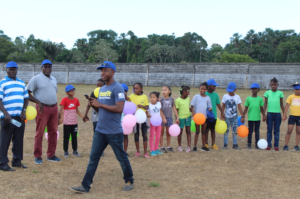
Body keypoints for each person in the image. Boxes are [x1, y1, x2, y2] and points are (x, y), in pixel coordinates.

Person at [70, 61, 134, 193]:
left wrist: (100, 105)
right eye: (101, 71)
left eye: (106, 70)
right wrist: (94, 105)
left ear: (113, 72)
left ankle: (129, 180)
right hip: (100, 130)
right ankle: (85, 186)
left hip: (114, 132)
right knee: (93, 158)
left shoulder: (118, 88)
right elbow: (101, 110)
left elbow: (119, 108)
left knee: (121, 158)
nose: (102, 73)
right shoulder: (102, 89)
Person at [27, 59, 60, 164]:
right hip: (43, 108)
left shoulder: (54, 79)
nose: (47, 68)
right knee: (40, 133)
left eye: (49, 66)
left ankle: (51, 155)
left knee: (53, 132)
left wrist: (57, 109)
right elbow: (27, 94)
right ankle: (38, 156)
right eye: (45, 66)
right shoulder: (36, 79)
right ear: (41, 67)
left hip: (54, 108)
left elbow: (52, 93)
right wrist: (38, 102)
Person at [0, 61, 29, 171]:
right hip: (7, 118)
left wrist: (24, 111)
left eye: (14, 69)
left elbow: (26, 98)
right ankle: (2, 163)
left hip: (19, 117)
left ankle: (17, 161)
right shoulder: (2, 83)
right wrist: (6, 114)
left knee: (18, 139)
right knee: (5, 140)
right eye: (10, 69)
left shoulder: (22, 83)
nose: (12, 71)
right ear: (6, 70)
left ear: (17, 70)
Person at [59, 85, 87, 158]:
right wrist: (61, 118)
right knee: (66, 137)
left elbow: (77, 110)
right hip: (67, 123)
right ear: (67, 92)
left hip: (74, 122)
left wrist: (83, 117)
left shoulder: (76, 100)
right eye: (71, 90)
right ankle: (66, 151)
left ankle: (75, 151)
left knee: (74, 137)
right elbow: (61, 110)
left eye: (73, 90)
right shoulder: (64, 99)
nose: (73, 91)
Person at [241, 83, 266, 149]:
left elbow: (262, 108)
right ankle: (249, 143)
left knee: (257, 131)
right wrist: (243, 116)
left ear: (258, 90)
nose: (254, 90)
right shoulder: (248, 98)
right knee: (250, 131)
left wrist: (264, 115)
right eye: (252, 89)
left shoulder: (260, 99)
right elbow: (246, 108)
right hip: (250, 118)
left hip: (257, 118)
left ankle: (257, 144)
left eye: (255, 89)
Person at [129, 82, 150, 158]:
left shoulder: (144, 97)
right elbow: (126, 99)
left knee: (144, 134)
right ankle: (138, 152)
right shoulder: (131, 96)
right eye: (134, 88)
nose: (135, 90)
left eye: (137, 88)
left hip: (143, 118)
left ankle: (145, 153)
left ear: (141, 89)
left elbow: (147, 107)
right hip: (135, 118)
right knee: (136, 134)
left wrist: (142, 106)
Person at [263, 77, 284, 151]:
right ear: (270, 85)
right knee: (269, 130)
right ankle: (269, 145)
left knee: (276, 130)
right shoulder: (267, 93)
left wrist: (284, 114)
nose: (273, 86)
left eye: (274, 85)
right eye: (272, 85)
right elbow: (265, 104)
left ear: (277, 85)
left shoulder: (280, 93)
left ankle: (276, 146)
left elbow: (281, 104)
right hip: (269, 114)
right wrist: (264, 114)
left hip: (278, 114)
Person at [191, 82, 212, 152]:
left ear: (206, 89)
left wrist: (210, 108)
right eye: (201, 89)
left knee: (203, 132)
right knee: (197, 132)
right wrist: (193, 111)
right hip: (197, 117)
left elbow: (210, 106)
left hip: (204, 117)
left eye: (204, 89)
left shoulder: (208, 98)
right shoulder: (196, 97)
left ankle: (203, 146)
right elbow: (192, 106)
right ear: (199, 89)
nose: (203, 90)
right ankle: (194, 146)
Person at [222, 82, 243, 150]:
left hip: (234, 117)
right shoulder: (225, 96)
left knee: (235, 131)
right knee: (226, 131)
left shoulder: (237, 97)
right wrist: (222, 114)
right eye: (228, 91)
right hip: (227, 117)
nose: (229, 92)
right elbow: (223, 106)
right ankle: (225, 144)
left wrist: (242, 115)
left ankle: (235, 144)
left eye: (231, 91)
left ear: (235, 90)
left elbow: (239, 107)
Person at [205, 79, 224, 150]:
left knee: (212, 130)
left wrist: (222, 112)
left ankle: (213, 144)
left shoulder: (215, 95)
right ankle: (206, 143)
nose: (215, 87)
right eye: (214, 86)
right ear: (209, 86)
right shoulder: (205, 94)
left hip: (213, 116)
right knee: (206, 130)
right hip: (206, 116)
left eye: (215, 86)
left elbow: (218, 104)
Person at [160, 86, 179, 153]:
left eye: (165, 90)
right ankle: (162, 147)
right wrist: (163, 117)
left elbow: (174, 108)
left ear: (169, 91)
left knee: (168, 133)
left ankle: (168, 146)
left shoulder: (171, 99)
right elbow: (159, 109)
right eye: (162, 90)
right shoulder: (160, 99)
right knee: (161, 133)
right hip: (162, 118)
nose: (163, 91)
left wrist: (177, 117)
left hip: (169, 118)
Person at [282, 82, 300, 151]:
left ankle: (296, 146)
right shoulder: (291, 97)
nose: (297, 91)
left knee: (298, 131)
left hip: (299, 117)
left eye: (298, 89)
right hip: (292, 116)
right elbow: (287, 106)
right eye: (295, 89)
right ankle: (286, 145)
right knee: (289, 130)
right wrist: (284, 115)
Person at [147, 91, 166, 156]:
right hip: (152, 123)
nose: (152, 98)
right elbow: (147, 114)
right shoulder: (149, 105)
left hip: (159, 122)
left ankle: (156, 149)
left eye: (154, 97)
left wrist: (164, 118)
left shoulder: (158, 104)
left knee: (158, 136)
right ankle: (152, 150)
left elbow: (160, 111)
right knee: (152, 137)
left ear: (157, 98)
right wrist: (150, 116)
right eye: (151, 97)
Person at [176, 85, 192, 153]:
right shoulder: (177, 100)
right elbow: (176, 111)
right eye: (188, 91)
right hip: (181, 118)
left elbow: (189, 108)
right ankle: (179, 146)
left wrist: (193, 110)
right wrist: (177, 119)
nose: (189, 93)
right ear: (183, 92)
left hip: (188, 117)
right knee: (180, 132)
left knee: (188, 131)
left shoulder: (188, 98)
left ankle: (188, 146)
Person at [121, 83, 130, 155]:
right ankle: (120, 151)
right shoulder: (116, 101)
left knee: (125, 136)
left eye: (124, 91)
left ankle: (125, 151)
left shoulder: (127, 103)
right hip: (117, 121)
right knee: (119, 137)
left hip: (125, 122)